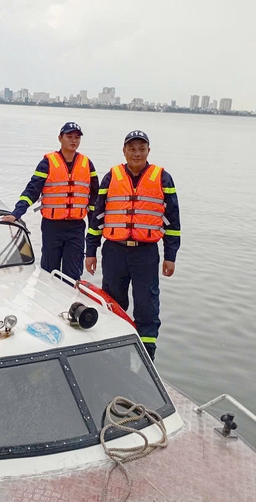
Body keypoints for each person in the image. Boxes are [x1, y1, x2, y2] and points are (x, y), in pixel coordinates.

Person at [84, 130, 181, 361]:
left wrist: (170, 255)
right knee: (112, 304)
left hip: (145, 253)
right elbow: (98, 215)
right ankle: (113, 353)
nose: (136, 153)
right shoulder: (111, 176)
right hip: (114, 251)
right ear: (124, 151)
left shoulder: (162, 178)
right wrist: (91, 251)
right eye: (132, 148)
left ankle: (147, 358)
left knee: (147, 307)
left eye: (141, 148)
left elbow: (172, 220)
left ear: (148, 150)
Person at [2, 122, 99, 280]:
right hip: (52, 227)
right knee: (48, 272)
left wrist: (93, 234)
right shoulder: (47, 162)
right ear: (60, 138)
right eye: (69, 136)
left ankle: (69, 302)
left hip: (76, 228)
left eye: (77, 137)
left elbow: (95, 198)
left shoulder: (87, 164)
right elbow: (31, 191)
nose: (73, 140)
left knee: (73, 274)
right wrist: (16, 213)